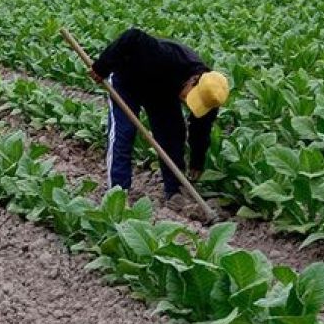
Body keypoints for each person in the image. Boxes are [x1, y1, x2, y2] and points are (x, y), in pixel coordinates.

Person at [89, 28, 230, 209]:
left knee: (173, 135)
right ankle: (117, 193)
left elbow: (200, 130)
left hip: (162, 91)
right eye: (190, 97)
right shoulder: (165, 57)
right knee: (124, 133)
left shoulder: (212, 96)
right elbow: (132, 36)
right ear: (193, 80)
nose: (188, 103)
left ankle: (174, 191)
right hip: (128, 79)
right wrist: (101, 66)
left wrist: (197, 162)